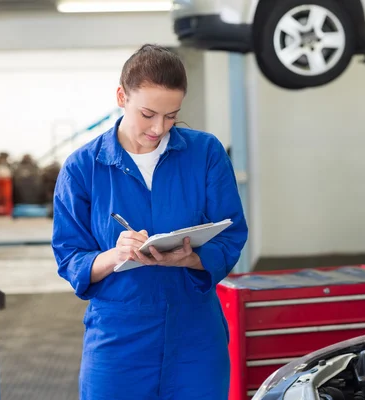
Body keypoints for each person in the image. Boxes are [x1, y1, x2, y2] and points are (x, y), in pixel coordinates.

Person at [51, 44, 248, 400]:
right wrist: (115, 254)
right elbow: (70, 257)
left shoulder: (205, 153)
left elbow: (231, 233)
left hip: (195, 333)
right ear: (121, 97)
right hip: (118, 338)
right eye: (148, 113)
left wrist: (189, 258)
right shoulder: (83, 168)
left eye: (172, 115)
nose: (159, 127)